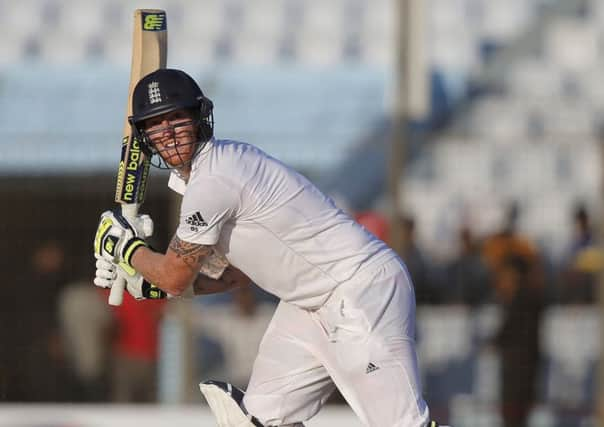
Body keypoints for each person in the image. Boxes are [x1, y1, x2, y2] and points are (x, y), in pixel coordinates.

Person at [93, 68, 441, 427]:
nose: (166, 133)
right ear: (144, 135)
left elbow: (174, 277)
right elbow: (229, 277)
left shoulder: (214, 179)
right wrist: (145, 279)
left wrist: (126, 250)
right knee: (261, 420)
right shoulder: (209, 177)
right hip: (306, 305)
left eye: (175, 118)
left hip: (358, 288)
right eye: (155, 124)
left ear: (198, 118)